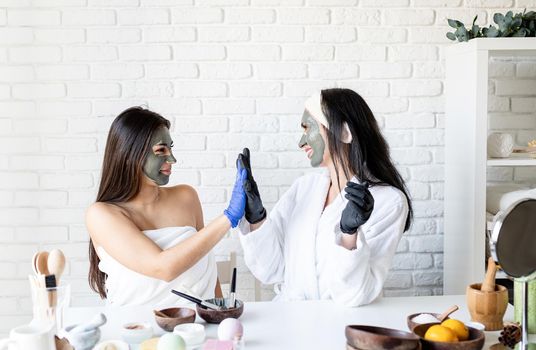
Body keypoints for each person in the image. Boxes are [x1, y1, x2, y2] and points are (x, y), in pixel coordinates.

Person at [237, 88, 413, 307]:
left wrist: (349, 234)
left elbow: (354, 295)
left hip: (341, 327)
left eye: (308, 128)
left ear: (343, 131)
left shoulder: (388, 202)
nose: (301, 142)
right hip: (290, 320)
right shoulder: (304, 188)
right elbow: (270, 270)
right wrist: (256, 217)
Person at [86, 107, 246, 309]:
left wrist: (219, 314)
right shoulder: (101, 215)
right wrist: (229, 217)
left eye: (170, 148)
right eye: (161, 150)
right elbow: (163, 267)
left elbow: (205, 265)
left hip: (197, 329)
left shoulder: (186, 197)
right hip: (136, 332)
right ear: (129, 154)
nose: (172, 159)